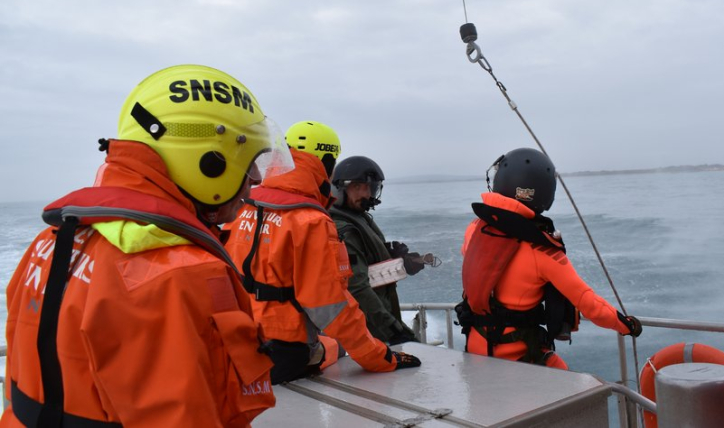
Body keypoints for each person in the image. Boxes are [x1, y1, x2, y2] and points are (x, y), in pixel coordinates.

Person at [2, 64, 293, 426]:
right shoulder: (180, 275)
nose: (255, 183)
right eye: (247, 165)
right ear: (207, 163)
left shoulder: (50, 241)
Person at [223, 121, 421, 384]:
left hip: (238, 342)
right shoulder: (311, 221)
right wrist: (380, 356)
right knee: (335, 348)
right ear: (327, 163)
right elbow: (332, 307)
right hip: (286, 351)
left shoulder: (241, 207)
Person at [457, 147, 642, 369]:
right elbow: (587, 302)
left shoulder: (474, 229)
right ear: (545, 192)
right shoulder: (543, 251)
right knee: (575, 386)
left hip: (476, 350)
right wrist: (626, 325)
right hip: (519, 360)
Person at [329, 156, 427, 344]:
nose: (366, 193)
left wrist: (394, 260)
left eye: (370, 187)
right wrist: (393, 330)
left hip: (376, 325)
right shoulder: (344, 229)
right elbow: (357, 287)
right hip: (369, 331)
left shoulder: (358, 218)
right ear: (340, 188)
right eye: (358, 187)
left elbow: (366, 266)